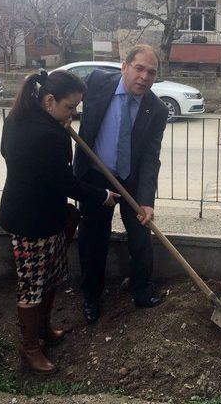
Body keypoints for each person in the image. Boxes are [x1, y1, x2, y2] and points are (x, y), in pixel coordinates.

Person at [0, 70, 119, 373]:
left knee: (50, 278)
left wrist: (60, 129)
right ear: (49, 100)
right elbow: (67, 182)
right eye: (70, 107)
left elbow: (8, 153)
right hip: (32, 222)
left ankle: (44, 331)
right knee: (33, 286)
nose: (74, 113)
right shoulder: (48, 134)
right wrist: (102, 195)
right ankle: (29, 348)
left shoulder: (16, 120)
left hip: (44, 214)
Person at [74, 44, 169, 324]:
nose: (144, 77)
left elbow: (151, 157)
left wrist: (146, 200)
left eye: (151, 72)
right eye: (139, 68)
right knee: (92, 239)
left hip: (131, 180)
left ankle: (142, 291)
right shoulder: (97, 83)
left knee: (141, 237)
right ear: (124, 66)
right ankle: (91, 296)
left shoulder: (156, 109)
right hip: (95, 176)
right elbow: (64, 93)